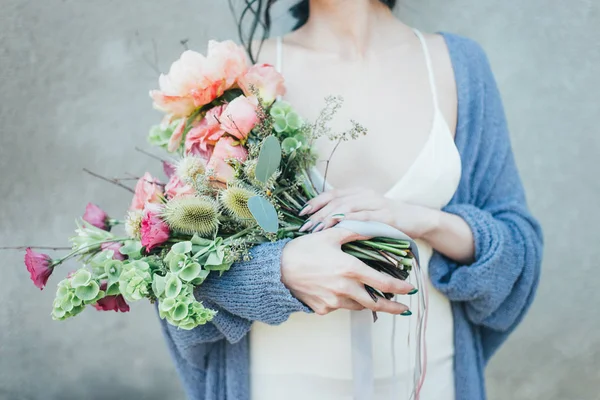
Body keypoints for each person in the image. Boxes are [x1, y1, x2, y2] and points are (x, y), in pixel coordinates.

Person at [158, 1, 543, 399]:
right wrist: (279, 272)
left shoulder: (457, 64)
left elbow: (518, 250)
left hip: (431, 380)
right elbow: (176, 271)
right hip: (281, 383)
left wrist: (424, 221)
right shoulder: (238, 72)